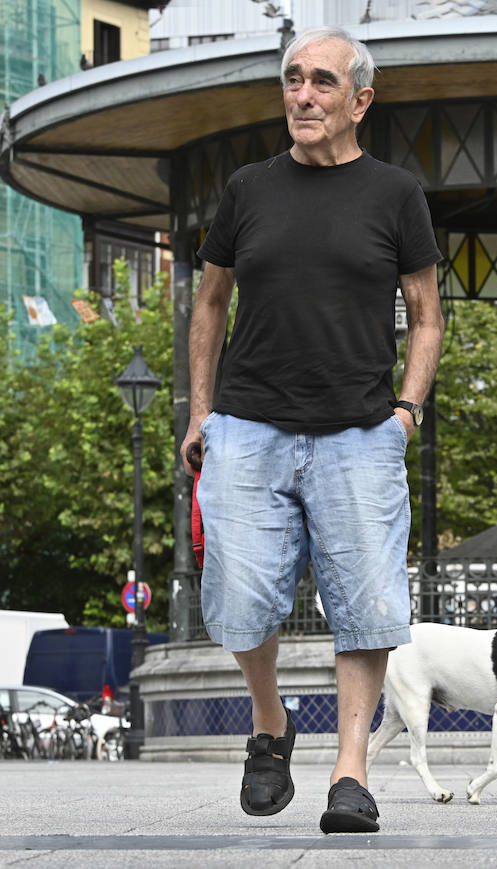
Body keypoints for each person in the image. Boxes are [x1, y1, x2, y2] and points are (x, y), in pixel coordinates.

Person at [179, 25, 444, 834]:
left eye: (322, 82)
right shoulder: (248, 189)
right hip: (249, 426)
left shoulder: (395, 194)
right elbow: (211, 301)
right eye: (293, 79)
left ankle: (350, 772)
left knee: (366, 604)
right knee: (237, 598)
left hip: (360, 433)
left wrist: (406, 411)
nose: (302, 95)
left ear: (360, 100)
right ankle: (272, 725)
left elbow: (428, 317)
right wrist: (199, 411)